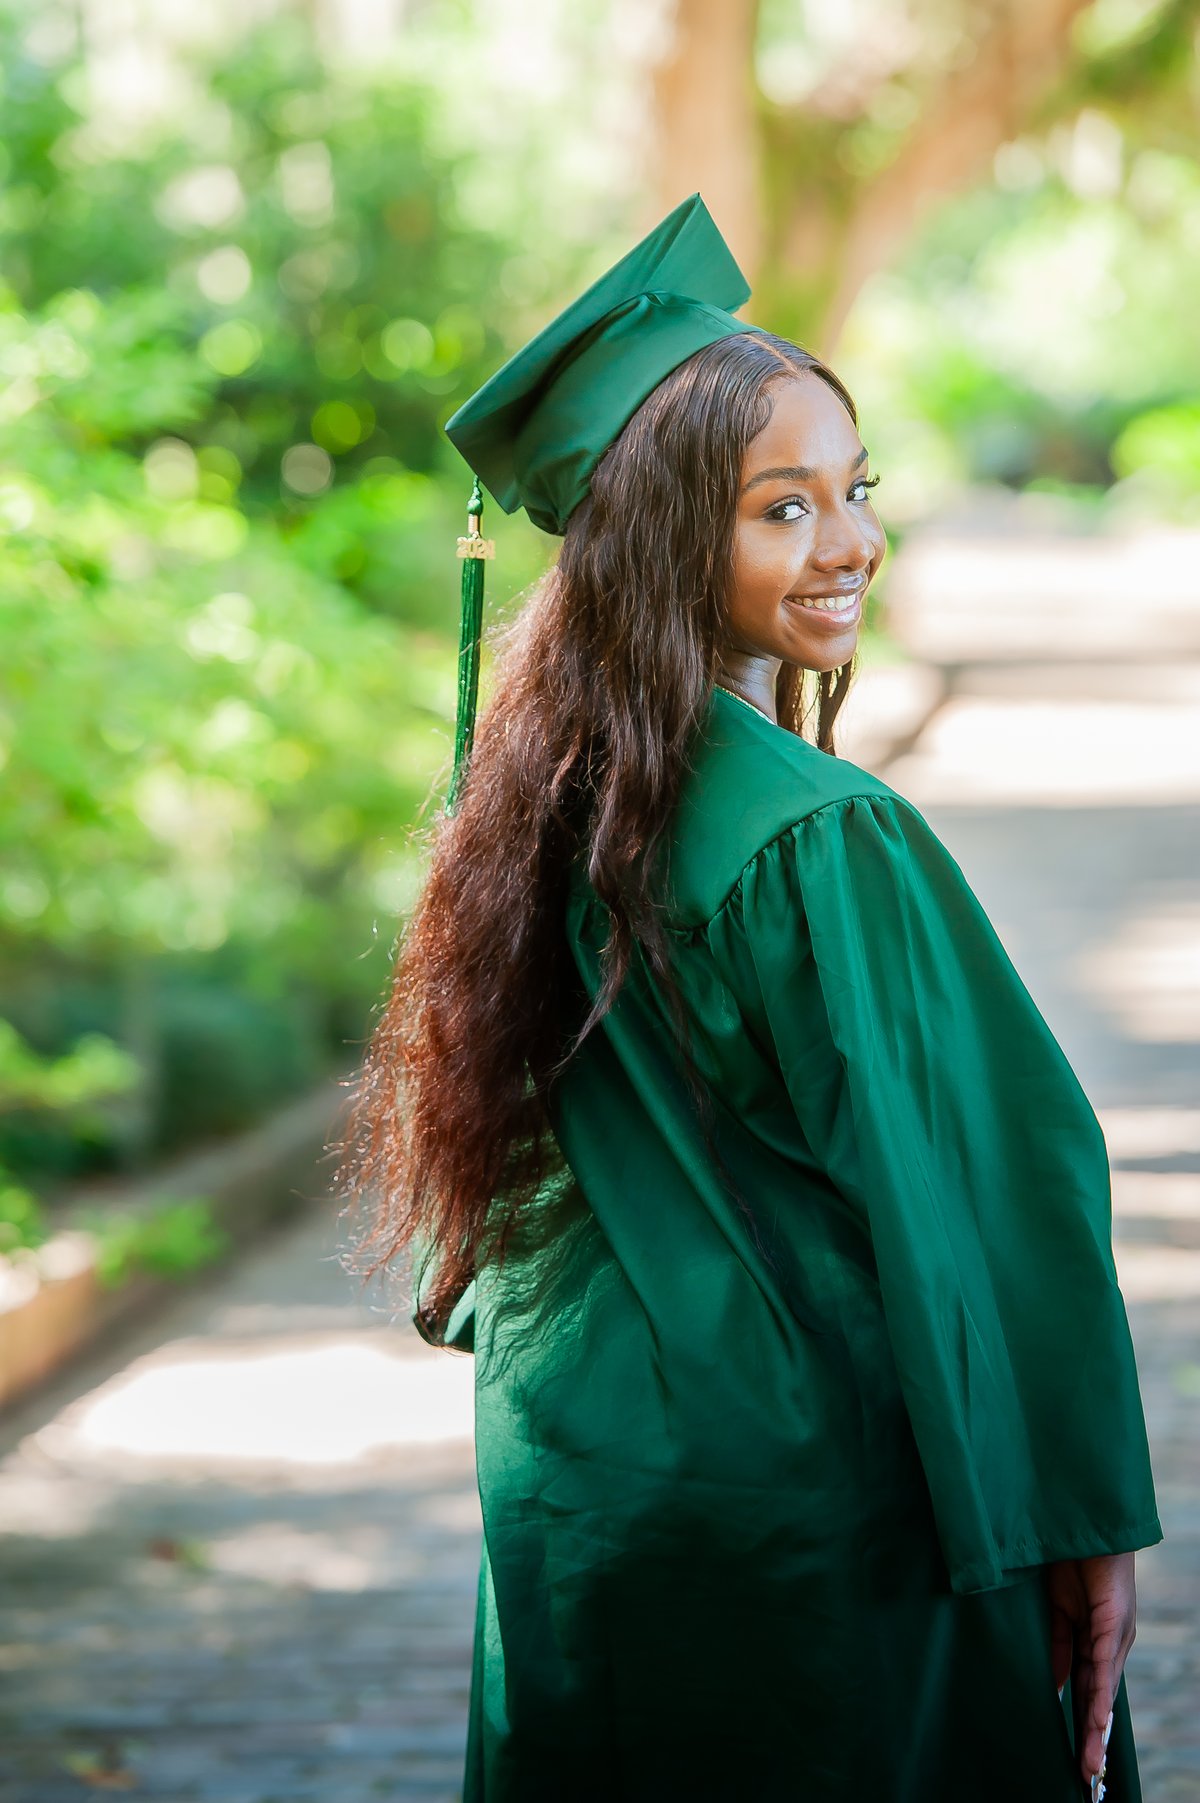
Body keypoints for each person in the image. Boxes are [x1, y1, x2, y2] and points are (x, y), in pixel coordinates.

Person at [333, 194, 1162, 1802]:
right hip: (817, 1483)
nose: (850, 541)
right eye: (782, 509)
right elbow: (980, 1196)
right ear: (658, 539)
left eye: (856, 491)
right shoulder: (814, 831)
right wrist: (1074, 1517)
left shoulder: (536, 794)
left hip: (587, 1469)